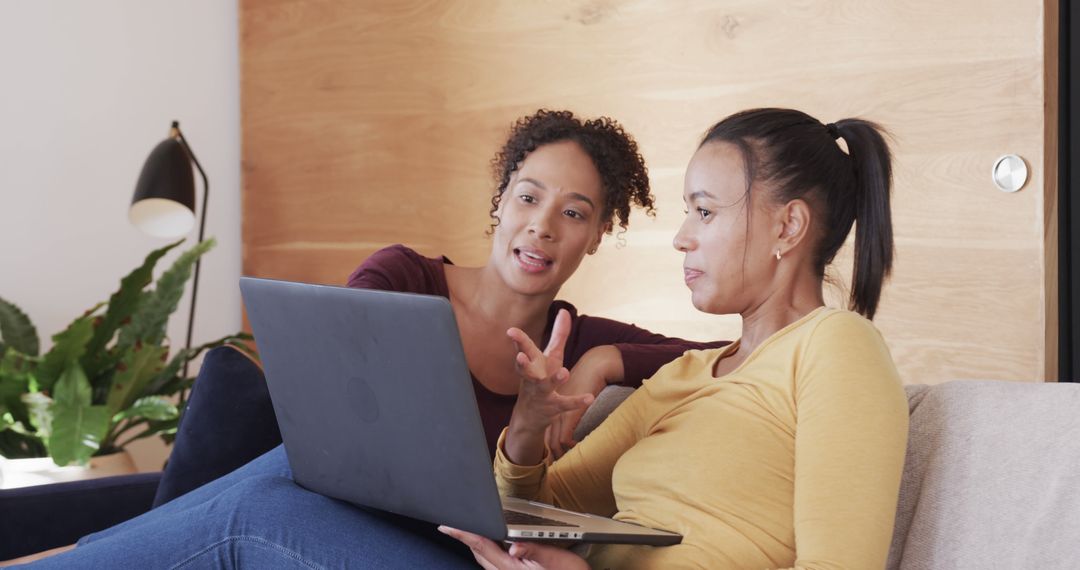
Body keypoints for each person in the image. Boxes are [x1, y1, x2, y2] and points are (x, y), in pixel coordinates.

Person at [7, 109, 722, 568]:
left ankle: (74, 560)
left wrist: (602, 360)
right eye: (529, 197)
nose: (542, 225)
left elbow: (714, 353)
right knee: (289, 471)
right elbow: (330, 408)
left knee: (266, 497)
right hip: (336, 511)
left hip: (448, 551)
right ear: (501, 200)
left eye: (574, 212)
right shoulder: (405, 276)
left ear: (596, 236)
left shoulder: (574, 340)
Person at [438, 108, 909, 569]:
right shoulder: (682, 375)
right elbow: (538, 510)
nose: (681, 238)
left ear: (787, 226)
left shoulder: (836, 346)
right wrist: (527, 425)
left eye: (704, 211)